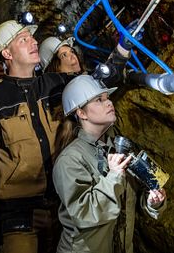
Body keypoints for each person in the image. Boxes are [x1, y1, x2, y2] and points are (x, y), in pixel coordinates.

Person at [0, 19, 132, 253]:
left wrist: (123, 48)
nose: (34, 42)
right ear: (6, 53)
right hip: (18, 216)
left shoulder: (54, 85)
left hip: (61, 208)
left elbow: (98, 83)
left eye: (32, 37)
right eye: (23, 39)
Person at [52, 75, 166, 253]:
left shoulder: (118, 148)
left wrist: (152, 202)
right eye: (99, 100)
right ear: (81, 113)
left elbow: (128, 201)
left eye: (107, 97)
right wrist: (113, 176)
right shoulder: (70, 159)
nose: (109, 103)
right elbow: (84, 213)